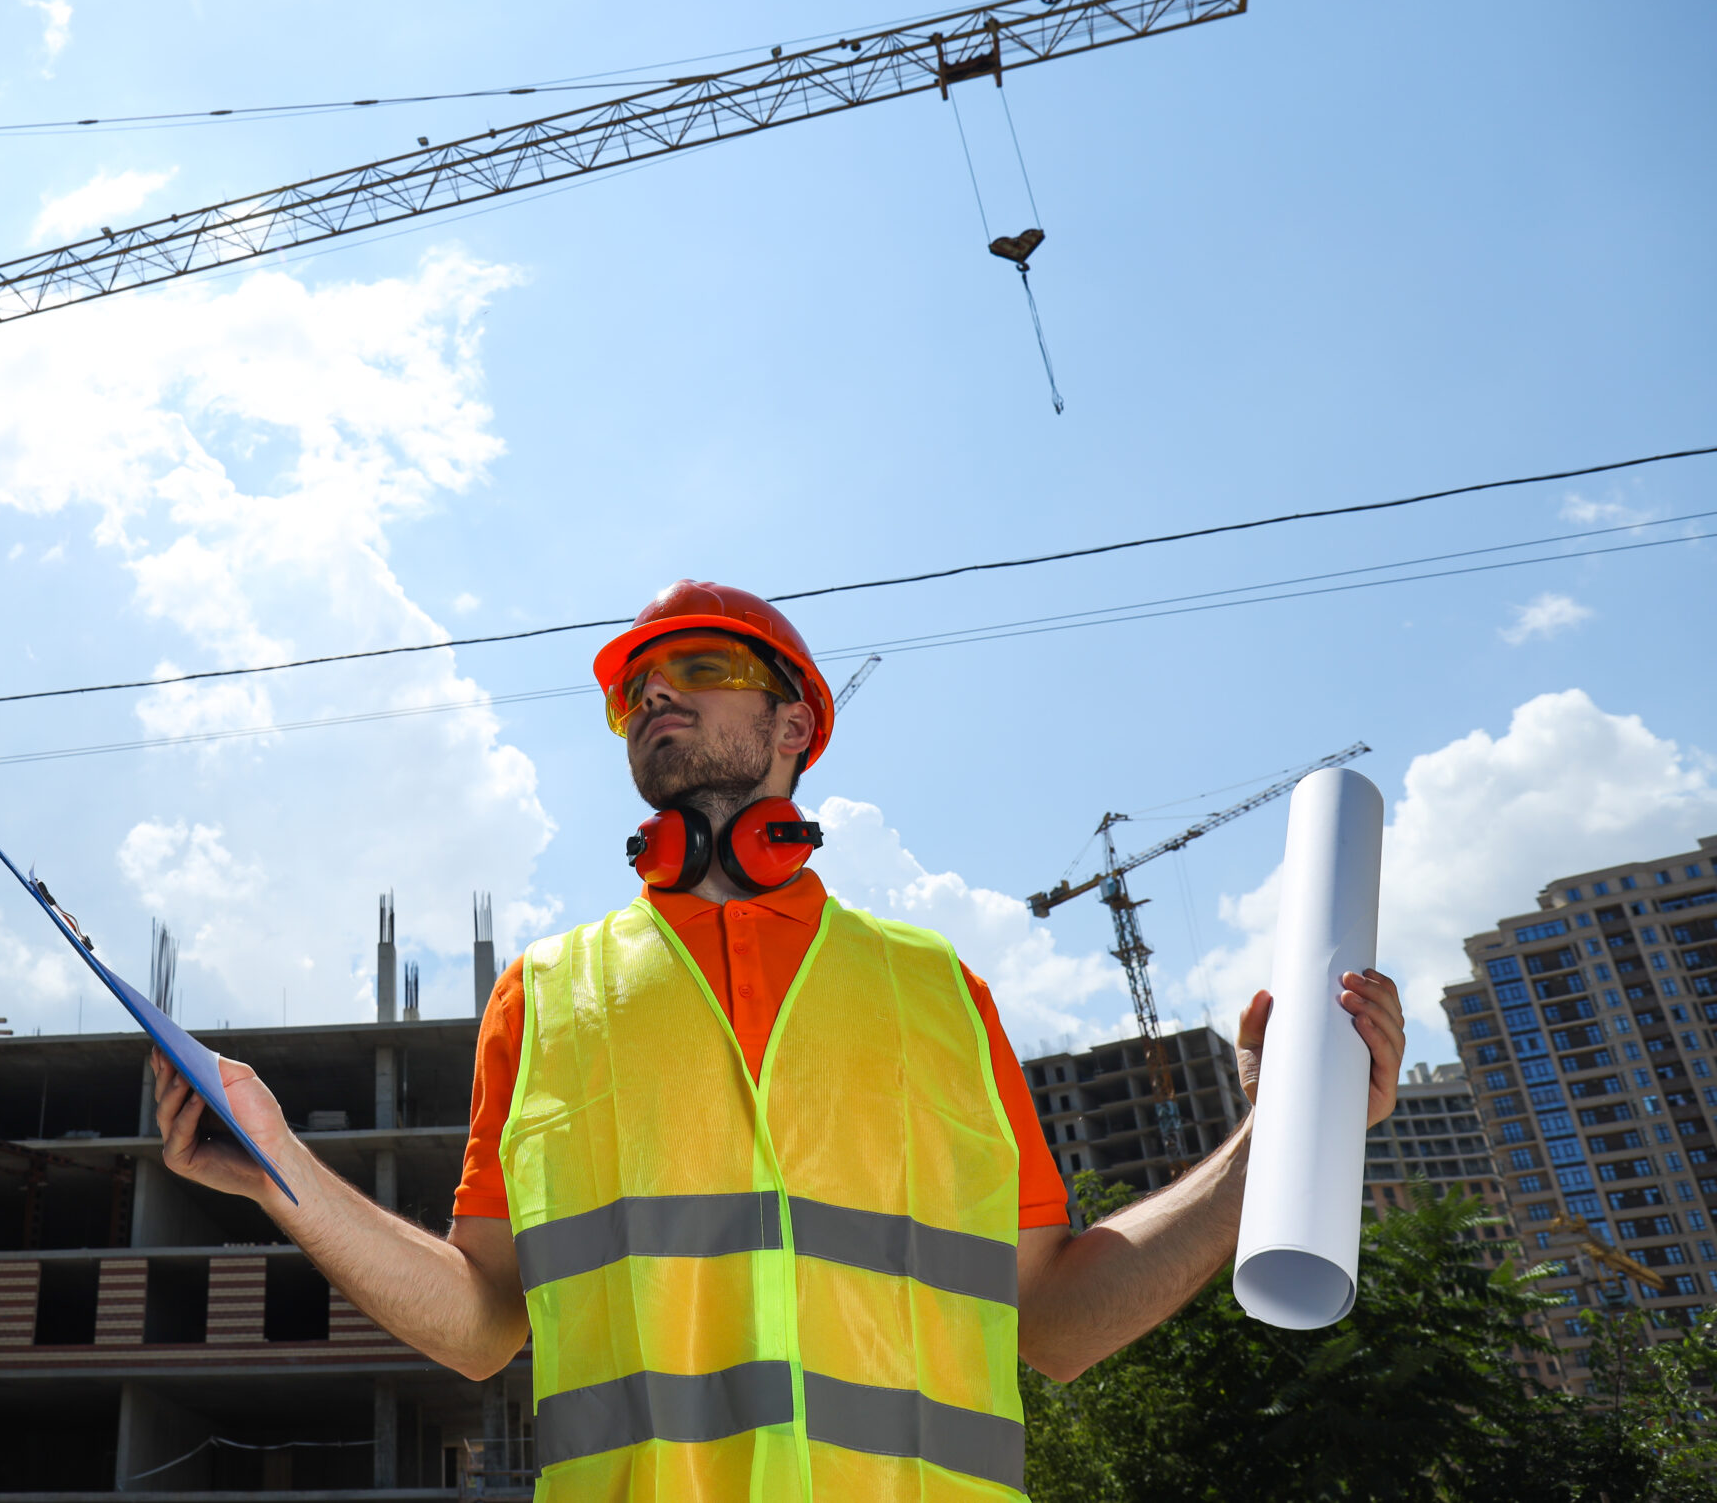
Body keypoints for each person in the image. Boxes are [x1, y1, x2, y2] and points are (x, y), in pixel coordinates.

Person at [152, 579, 1406, 1500]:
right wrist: (285, 1171)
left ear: (797, 723)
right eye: (632, 691)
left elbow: (1058, 1322)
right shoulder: (547, 996)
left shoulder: (933, 990)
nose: (652, 694)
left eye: (694, 668)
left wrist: (1271, 1142)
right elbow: (483, 1324)